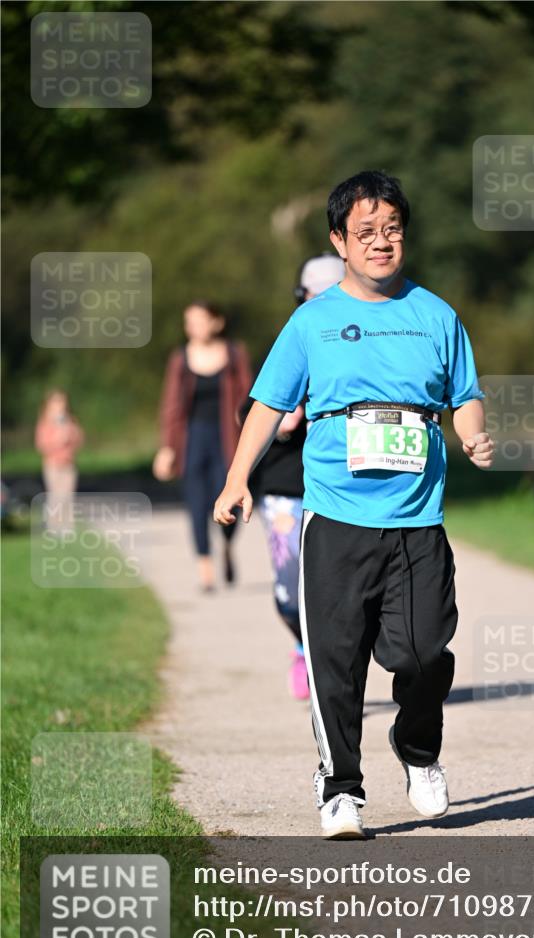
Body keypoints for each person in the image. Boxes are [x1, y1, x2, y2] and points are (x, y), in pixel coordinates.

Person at [214, 170, 493, 839]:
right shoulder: (311, 321)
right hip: (336, 520)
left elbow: (464, 392)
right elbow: (268, 405)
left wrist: (472, 432)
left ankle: (418, 752)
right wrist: (236, 480)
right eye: (365, 232)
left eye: (391, 230)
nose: (380, 242)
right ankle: (339, 786)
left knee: (424, 653)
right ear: (339, 241)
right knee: (335, 664)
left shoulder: (435, 315)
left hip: (417, 521)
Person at [252, 254, 346, 700]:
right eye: (316, 294)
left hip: (345, 487)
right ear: (301, 298)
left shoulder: (361, 344)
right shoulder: (292, 340)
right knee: (290, 588)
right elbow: (248, 412)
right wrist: (284, 419)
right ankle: (301, 644)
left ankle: (337, 670)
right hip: (286, 485)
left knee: (342, 587)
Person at [153, 300, 253, 592]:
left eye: (199, 321)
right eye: (189, 322)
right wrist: (167, 448)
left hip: (227, 439)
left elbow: (249, 400)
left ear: (216, 322)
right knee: (196, 503)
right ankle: (205, 567)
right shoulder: (180, 358)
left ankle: (227, 543)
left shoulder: (235, 355)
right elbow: (171, 406)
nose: (193, 328)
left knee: (229, 496)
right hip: (192, 440)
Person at [35, 389, 85, 535]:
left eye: (62, 401)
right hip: (52, 464)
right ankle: (54, 526)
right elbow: (41, 444)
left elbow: (79, 438)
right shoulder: (45, 422)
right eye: (56, 401)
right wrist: (57, 439)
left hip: (68, 463)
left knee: (67, 495)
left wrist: (71, 433)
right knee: (56, 495)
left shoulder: (69, 420)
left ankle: (67, 527)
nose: (60, 405)